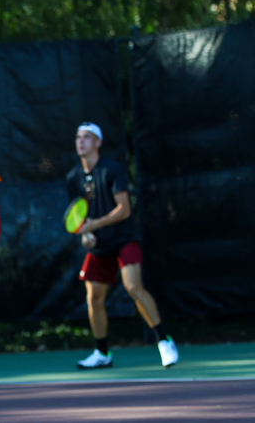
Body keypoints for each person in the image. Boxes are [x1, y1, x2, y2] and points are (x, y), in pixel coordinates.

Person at [67, 122, 179, 369]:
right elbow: (78, 219)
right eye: (78, 137)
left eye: (87, 137)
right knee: (93, 297)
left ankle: (164, 341)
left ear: (98, 142)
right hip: (99, 247)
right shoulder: (73, 177)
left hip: (123, 240)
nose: (81, 141)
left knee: (133, 287)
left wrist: (94, 224)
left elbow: (124, 209)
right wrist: (85, 236)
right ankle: (102, 353)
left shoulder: (111, 169)